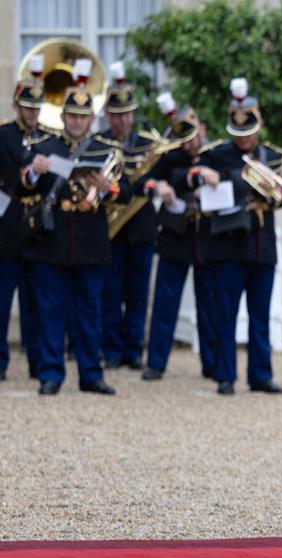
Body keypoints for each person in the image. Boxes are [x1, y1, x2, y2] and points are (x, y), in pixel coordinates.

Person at [20, 60, 131, 395]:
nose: (78, 122)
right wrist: (36, 171)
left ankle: (90, 374)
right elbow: (24, 184)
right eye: (73, 116)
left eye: (83, 117)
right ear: (64, 117)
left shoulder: (104, 150)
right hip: (53, 240)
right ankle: (51, 374)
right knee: (52, 311)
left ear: (90, 120)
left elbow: (125, 193)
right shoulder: (45, 146)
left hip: (90, 239)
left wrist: (106, 186)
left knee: (89, 312)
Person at [183, 78, 282, 395]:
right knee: (225, 315)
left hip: (261, 246)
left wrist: (281, 193)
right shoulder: (215, 156)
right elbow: (188, 177)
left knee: (260, 316)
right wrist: (203, 174)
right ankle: (225, 375)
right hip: (228, 247)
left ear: (260, 127)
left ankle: (260, 374)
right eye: (238, 134)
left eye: (249, 133)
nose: (244, 140)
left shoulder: (272, 156)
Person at [141, 94, 220, 381]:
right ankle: (156, 363)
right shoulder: (170, 156)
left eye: (193, 132)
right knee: (165, 303)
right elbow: (147, 181)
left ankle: (211, 364)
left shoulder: (215, 154)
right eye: (183, 135)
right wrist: (160, 185)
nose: (189, 141)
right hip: (175, 235)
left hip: (207, 238)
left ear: (203, 128)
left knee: (208, 305)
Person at [97, 62, 158, 370]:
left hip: (142, 228)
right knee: (111, 292)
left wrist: (153, 183)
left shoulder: (148, 143)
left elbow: (161, 178)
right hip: (111, 228)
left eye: (127, 114)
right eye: (117, 115)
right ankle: (111, 350)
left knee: (137, 293)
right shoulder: (100, 143)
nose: (123, 120)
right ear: (108, 115)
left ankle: (134, 350)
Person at [0, 62, 49, 381]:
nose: (32, 113)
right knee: (2, 301)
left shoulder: (48, 137)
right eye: (27, 107)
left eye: (36, 108)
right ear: (17, 105)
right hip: (7, 225)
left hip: (38, 230)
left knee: (37, 302)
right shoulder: (3, 135)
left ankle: (37, 362)